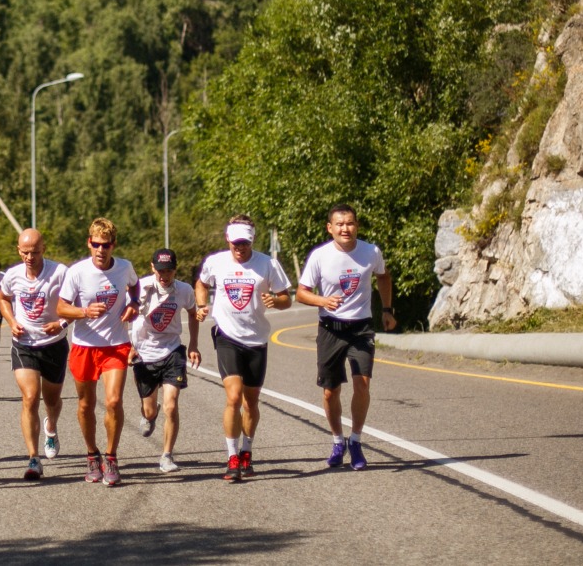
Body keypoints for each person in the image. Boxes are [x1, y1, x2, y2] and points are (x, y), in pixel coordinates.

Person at [295, 203, 396, 471]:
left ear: (356, 225)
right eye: (339, 224)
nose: (345, 228)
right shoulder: (320, 256)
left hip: (361, 327)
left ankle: (356, 441)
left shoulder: (370, 252)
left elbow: (384, 277)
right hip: (330, 328)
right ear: (330, 228)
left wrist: (386, 309)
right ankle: (337, 440)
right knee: (330, 391)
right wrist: (323, 300)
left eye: (350, 223)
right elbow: (301, 292)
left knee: (362, 384)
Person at [195, 215, 292, 483]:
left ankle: (247, 451)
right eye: (236, 242)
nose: (240, 248)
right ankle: (232, 456)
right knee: (233, 397)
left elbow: (286, 298)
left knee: (251, 402)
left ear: (252, 240)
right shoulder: (216, 262)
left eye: (245, 243)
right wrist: (202, 305)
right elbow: (202, 283)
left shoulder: (267, 264)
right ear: (227, 238)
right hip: (227, 335)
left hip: (257, 339)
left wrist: (276, 301)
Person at [56, 216, 139, 487]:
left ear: (113, 245)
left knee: (114, 401)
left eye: (106, 245)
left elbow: (134, 285)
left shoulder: (124, 267)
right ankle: (92, 455)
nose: (101, 250)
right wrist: (84, 311)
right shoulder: (77, 272)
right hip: (84, 347)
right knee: (85, 404)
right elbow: (61, 308)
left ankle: (111, 457)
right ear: (89, 243)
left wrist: (134, 303)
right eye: (96, 245)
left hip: (116, 345)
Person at [0, 228, 69, 480]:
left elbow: (74, 304)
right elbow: (3, 298)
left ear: (44, 249)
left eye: (35, 252)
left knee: (51, 401)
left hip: (53, 344)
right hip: (24, 344)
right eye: (25, 252)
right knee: (30, 397)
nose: (30, 257)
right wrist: (11, 320)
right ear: (19, 250)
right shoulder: (13, 275)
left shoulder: (60, 273)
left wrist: (61, 323)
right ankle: (33, 459)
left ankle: (51, 426)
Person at [130, 248, 200, 474]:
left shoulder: (184, 290)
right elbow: (125, 315)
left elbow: (192, 312)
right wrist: (129, 346)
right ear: (152, 268)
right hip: (145, 352)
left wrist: (193, 345)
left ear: (175, 270)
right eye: (160, 270)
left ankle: (167, 455)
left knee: (171, 405)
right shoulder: (142, 288)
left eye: (169, 270)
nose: (164, 275)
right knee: (150, 411)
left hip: (172, 351)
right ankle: (149, 414)